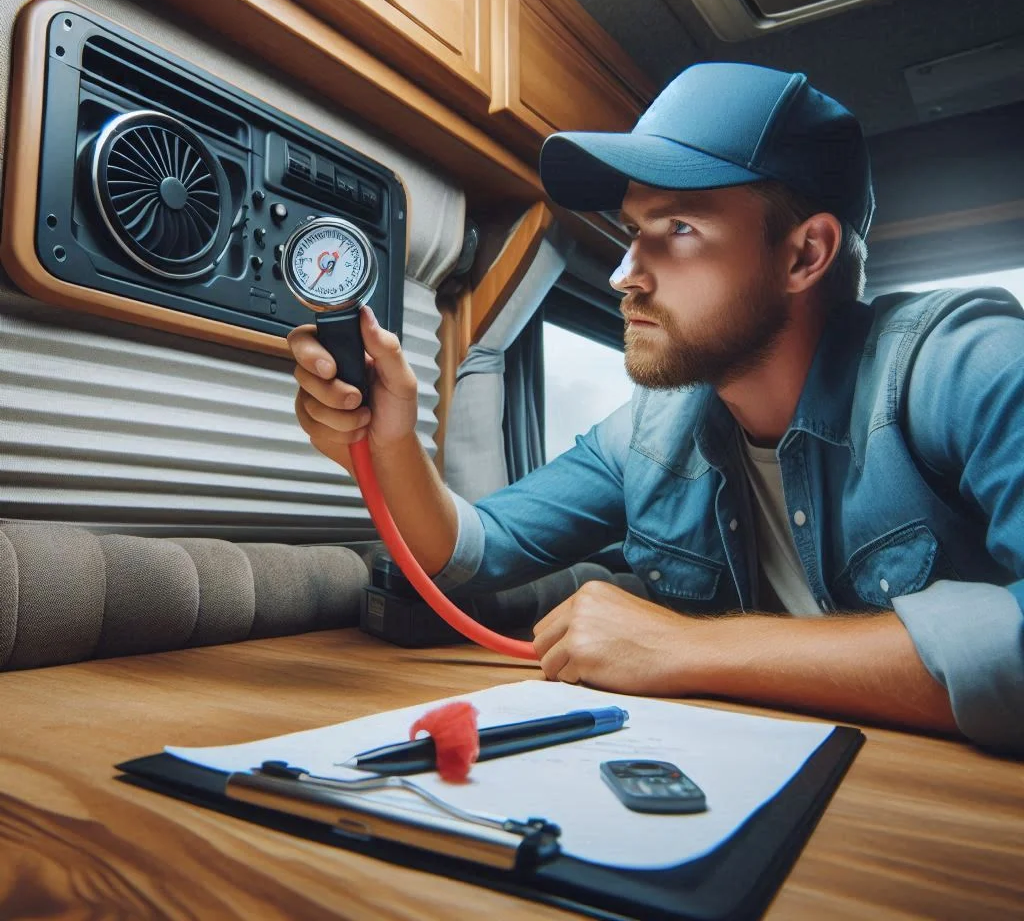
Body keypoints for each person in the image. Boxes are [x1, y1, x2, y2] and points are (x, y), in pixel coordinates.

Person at [289, 62, 1024, 754]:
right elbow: (470, 548)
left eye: (677, 230)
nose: (622, 276)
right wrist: (391, 442)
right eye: (633, 232)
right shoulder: (648, 432)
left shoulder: (969, 367)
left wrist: (686, 646)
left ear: (805, 255)